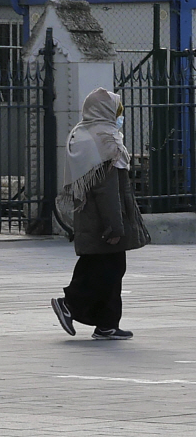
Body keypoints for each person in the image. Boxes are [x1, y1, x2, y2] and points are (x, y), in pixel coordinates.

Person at [51, 87, 150, 341]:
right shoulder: (105, 139)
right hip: (104, 219)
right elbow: (107, 189)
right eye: (117, 110)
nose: (120, 115)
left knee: (102, 265)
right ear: (105, 111)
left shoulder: (82, 134)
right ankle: (70, 304)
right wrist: (115, 226)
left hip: (89, 216)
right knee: (107, 268)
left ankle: (107, 323)